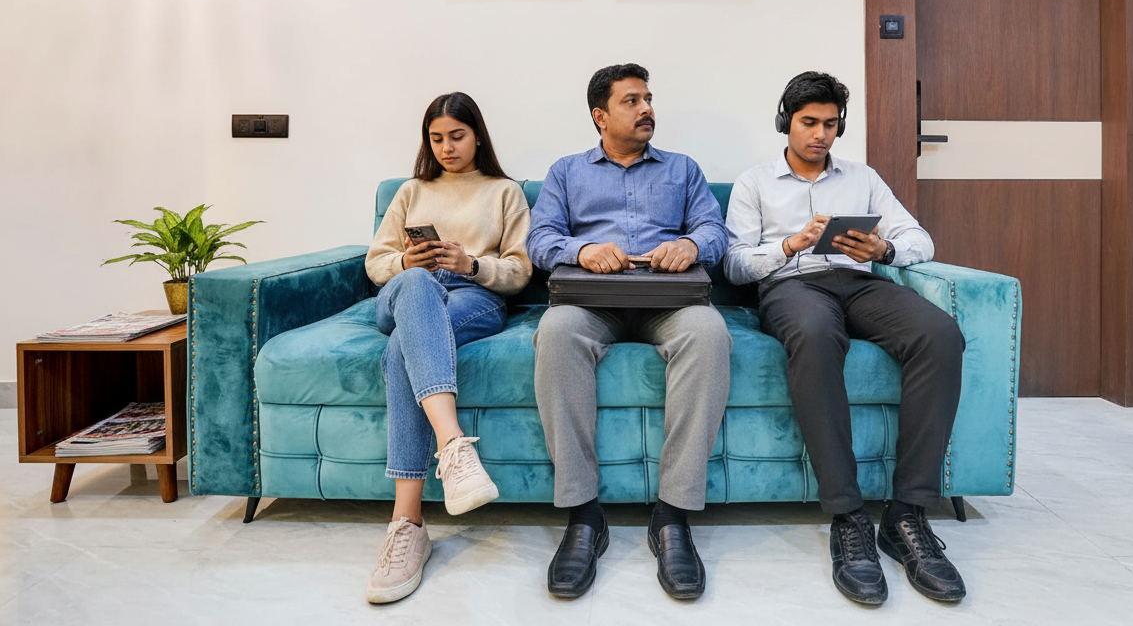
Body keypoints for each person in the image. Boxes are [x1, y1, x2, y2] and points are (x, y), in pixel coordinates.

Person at [724, 72, 967, 605]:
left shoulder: (863, 177)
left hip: (859, 281)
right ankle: (847, 515)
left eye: (830, 125)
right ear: (785, 121)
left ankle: (908, 516)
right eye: (809, 122)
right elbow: (737, 265)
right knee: (813, 334)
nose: (820, 135)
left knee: (940, 333)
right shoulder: (754, 183)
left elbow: (918, 238)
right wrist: (791, 245)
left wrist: (880, 251)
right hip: (792, 286)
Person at [527, 63, 731, 601]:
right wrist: (581, 250)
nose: (646, 109)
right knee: (556, 332)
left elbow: (714, 229)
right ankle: (583, 515)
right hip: (594, 300)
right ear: (601, 116)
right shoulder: (566, 172)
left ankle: (673, 515)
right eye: (631, 101)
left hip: (669, 299)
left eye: (648, 99)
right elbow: (540, 239)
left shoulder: (682, 169)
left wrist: (691, 245)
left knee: (710, 335)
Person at [363, 92, 532, 604]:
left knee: (402, 354)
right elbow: (376, 263)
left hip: (471, 297)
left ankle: (408, 525)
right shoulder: (411, 191)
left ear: (477, 134)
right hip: (406, 291)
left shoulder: (505, 192)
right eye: (436, 139)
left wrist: (470, 265)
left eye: (456, 136)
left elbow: (521, 271)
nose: (446, 147)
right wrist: (407, 265)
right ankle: (455, 448)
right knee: (416, 290)